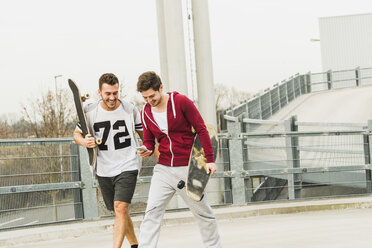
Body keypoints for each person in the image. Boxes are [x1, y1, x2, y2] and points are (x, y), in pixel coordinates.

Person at [136, 71, 222, 248]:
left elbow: (201, 129)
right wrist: (147, 149)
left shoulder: (181, 102)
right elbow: (149, 140)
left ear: (161, 88)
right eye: (145, 97)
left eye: (152, 96)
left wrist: (210, 159)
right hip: (163, 169)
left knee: (204, 214)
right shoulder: (145, 112)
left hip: (188, 168)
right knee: (151, 214)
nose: (149, 101)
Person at [73, 73, 142, 248]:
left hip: (128, 164)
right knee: (119, 211)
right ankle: (135, 245)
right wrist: (84, 141)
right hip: (103, 167)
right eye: (108, 93)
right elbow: (76, 135)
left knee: (120, 207)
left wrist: (152, 147)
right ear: (99, 92)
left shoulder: (129, 109)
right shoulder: (90, 111)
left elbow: (144, 134)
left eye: (115, 93)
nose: (112, 97)